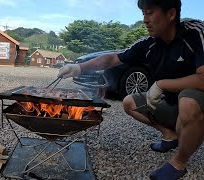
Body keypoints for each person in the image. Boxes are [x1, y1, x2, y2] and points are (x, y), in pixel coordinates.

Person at [58, 0, 204, 179]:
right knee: (129, 102)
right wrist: (79, 67)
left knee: (188, 102)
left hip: (194, 104)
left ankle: (179, 163)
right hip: (171, 104)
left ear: (171, 14)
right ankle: (170, 134)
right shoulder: (149, 44)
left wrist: (161, 85)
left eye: (150, 12)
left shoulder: (195, 33)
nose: (145, 19)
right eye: (143, 13)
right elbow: (112, 59)